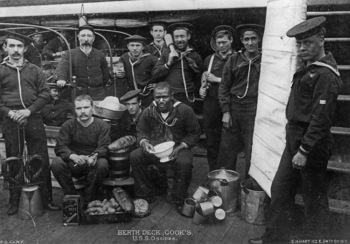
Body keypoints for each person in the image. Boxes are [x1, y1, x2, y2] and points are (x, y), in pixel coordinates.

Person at [249, 17, 342, 244]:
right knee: (280, 190)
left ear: (321, 39)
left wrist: (304, 150)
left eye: (307, 43)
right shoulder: (309, 69)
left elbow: (320, 120)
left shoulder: (326, 75)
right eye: (299, 45)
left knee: (314, 199)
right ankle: (273, 239)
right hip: (295, 140)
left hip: (311, 144)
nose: (301, 49)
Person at [0, 31, 60, 215]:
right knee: (14, 158)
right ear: (5, 48)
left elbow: (45, 94)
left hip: (33, 118)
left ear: (25, 48)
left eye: (19, 46)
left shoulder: (35, 70)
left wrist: (29, 111)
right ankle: (14, 200)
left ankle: (47, 199)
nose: (16, 50)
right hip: (10, 120)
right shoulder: (1, 70)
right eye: (12, 46)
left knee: (39, 156)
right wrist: (10, 113)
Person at [130, 82, 201, 214]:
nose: (161, 100)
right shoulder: (149, 111)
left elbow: (195, 133)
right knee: (135, 155)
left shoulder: (184, 110)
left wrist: (181, 146)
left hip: (178, 147)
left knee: (184, 161)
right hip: (156, 149)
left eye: (165, 97)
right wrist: (145, 143)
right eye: (157, 97)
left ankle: (179, 199)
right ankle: (147, 194)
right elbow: (141, 131)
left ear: (171, 96)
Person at [218, 23, 264, 178]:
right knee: (228, 150)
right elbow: (224, 87)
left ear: (259, 40)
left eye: (253, 39)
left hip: (254, 110)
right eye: (246, 39)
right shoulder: (234, 60)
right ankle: (227, 188)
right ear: (242, 41)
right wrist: (226, 112)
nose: (250, 43)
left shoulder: (264, 61)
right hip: (234, 108)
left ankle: (249, 187)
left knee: (252, 150)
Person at [51, 94, 110, 203]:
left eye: (86, 107)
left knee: (103, 164)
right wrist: (73, 156)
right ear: (75, 110)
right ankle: (72, 197)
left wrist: (95, 155)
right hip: (75, 163)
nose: (83, 111)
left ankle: (89, 198)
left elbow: (104, 146)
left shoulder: (102, 125)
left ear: (92, 108)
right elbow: (60, 146)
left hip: (93, 163)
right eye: (79, 108)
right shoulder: (68, 125)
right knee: (56, 163)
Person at [199, 25, 236, 172]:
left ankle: (227, 175)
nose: (221, 46)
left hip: (229, 105)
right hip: (211, 105)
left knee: (228, 142)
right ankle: (213, 173)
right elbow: (205, 78)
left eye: (224, 42)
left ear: (231, 40)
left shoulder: (237, 58)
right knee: (211, 141)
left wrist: (216, 79)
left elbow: (239, 84)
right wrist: (203, 87)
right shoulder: (210, 59)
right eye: (218, 43)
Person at [152, 22, 203, 108]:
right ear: (173, 39)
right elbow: (154, 75)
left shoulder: (195, 56)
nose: (179, 40)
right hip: (169, 98)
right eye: (176, 37)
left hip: (188, 98)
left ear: (188, 37)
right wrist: (168, 64)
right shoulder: (166, 54)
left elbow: (198, 79)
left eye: (182, 36)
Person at [54, 25, 111, 101]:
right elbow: (63, 67)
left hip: (97, 95)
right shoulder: (70, 54)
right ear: (78, 37)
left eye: (89, 36)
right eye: (83, 36)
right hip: (78, 95)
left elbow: (105, 76)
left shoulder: (100, 55)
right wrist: (61, 78)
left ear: (93, 38)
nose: (86, 39)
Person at [117, 35, 158, 107]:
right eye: (132, 45)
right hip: (131, 95)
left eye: (138, 45)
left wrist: (157, 85)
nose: (135, 48)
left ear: (143, 47)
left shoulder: (151, 59)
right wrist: (119, 74)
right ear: (128, 46)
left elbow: (161, 74)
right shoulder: (124, 58)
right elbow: (120, 74)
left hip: (147, 95)